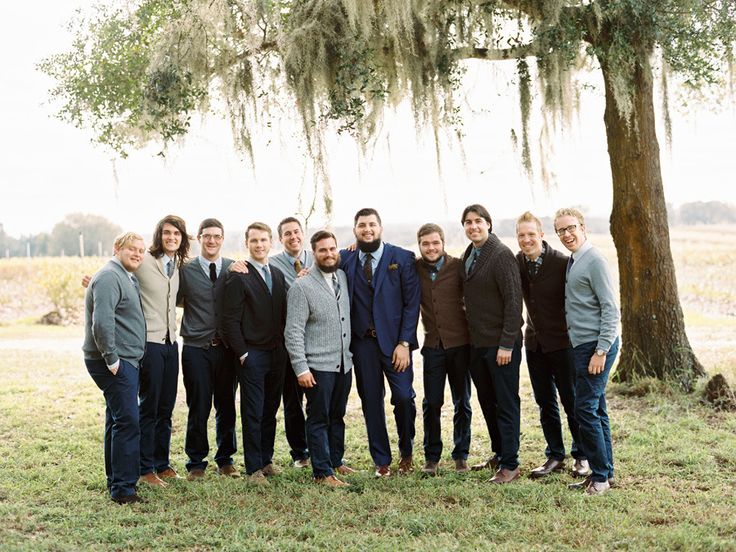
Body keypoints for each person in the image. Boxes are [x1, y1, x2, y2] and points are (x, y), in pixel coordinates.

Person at [340, 208, 420, 477]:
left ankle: (406, 450)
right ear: (355, 230)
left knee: (404, 397)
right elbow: (321, 264)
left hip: (396, 344)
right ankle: (381, 461)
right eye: (362, 225)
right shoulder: (345, 258)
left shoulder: (402, 258)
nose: (367, 229)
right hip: (363, 345)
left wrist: (405, 342)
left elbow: (412, 304)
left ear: (380, 227)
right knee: (371, 401)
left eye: (372, 224)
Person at [515, 211, 588, 479]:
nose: (526, 239)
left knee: (571, 401)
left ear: (541, 235)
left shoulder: (561, 263)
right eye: (521, 235)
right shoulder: (517, 262)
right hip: (534, 344)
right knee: (545, 402)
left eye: (531, 234)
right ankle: (555, 455)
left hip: (562, 343)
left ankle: (582, 455)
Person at [554, 207, 621, 495]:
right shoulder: (574, 260)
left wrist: (601, 350)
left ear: (583, 228)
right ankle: (603, 472)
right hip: (582, 345)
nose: (566, 234)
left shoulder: (593, 260)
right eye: (561, 231)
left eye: (571, 228)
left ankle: (601, 478)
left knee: (585, 410)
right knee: (597, 409)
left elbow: (610, 308)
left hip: (596, 347)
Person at [284, 230, 354, 487]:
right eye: (322, 250)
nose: (329, 254)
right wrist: (301, 368)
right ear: (313, 254)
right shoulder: (301, 286)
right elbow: (293, 331)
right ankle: (322, 473)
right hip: (317, 366)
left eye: (332, 249)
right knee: (318, 418)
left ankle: (335, 461)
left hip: (343, 363)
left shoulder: (343, 277)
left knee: (338, 415)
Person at [83, 232, 147, 504]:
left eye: (141, 251)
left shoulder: (124, 275)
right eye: (132, 249)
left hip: (125, 360)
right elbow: (102, 322)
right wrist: (112, 359)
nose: (137, 254)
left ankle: (116, 481)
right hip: (113, 362)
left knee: (118, 419)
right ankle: (123, 490)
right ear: (117, 248)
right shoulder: (110, 276)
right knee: (129, 422)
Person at [461, 204, 523, 484]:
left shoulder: (501, 255)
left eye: (478, 221)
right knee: (488, 401)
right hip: (478, 345)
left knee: (506, 403)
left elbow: (513, 303)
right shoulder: (470, 254)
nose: (473, 226)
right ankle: (499, 452)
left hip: (501, 345)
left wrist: (507, 345)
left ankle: (510, 464)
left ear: (489, 224)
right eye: (468, 222)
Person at [221, 222, 287, 484]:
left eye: (263, 240)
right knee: (253, 411)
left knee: (270, 408)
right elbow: (230, 320)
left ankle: (266, 460)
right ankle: (253, 469)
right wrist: (243, 353)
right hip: (252, 354)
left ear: (271, 242)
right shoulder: (239, 275)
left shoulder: (278, 275)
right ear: (246, 244)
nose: (259, 245)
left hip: (276, 353)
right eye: (254, 241)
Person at [177, 218, 239, 481]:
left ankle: (225, 460)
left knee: (226, 404)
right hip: (196, 348)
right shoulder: (185, 270)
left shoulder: (234, 268)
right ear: (198, 239)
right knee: (198, 405)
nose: (211, 240)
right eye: (206, 236)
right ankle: (196, 462)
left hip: (226, 349)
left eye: (216, 236)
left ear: (222, 239)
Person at [136, 215, 191, 486]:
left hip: (171, 344)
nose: (171, 237)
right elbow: (115, 271)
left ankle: (162, 462)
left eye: (177, 234)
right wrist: (95, 281)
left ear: (182, 238)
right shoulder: (144, 261)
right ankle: (145, 468)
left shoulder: (179, 267)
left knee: (166, 406)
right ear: (159, 235)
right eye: (167, 233)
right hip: (150, 343)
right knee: (150, 406)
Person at [415, 223, 472, 476]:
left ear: (443, 243)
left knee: (463, 401)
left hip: (460, 345)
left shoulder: (458, 266)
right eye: (426, 243)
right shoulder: (413, 267)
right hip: (433, 347)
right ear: (419, 245)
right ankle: (432, 456)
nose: (431, 247)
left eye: (435, 242)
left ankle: (461, 455)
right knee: (432, 402)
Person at [269, 217, 313, 468]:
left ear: (303, 233)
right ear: (280, 238)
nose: (293, 237)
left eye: (297, 232)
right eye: (288, 234)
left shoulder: (318, 258)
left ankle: (323, 447)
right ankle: (300, 453)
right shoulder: (273, 265)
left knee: (318, 400)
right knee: (293, 401)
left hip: (316, 342)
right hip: (288, 343)